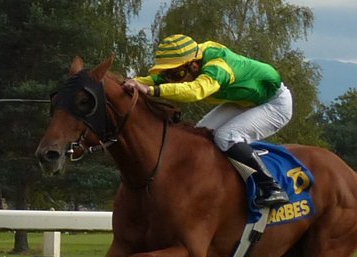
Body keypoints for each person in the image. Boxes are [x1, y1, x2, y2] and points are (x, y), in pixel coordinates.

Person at [123, 34, 292, 208]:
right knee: (199, 136)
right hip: (246, 101)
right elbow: (154, 80)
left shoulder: (218, 67)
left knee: (226, 136)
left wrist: (151, 91)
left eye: (175, 74)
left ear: (194, 65)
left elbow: (196, 91)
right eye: (168, 73)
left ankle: (271, 187)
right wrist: (128, 82)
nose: (171, 79)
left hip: (275, 103)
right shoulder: (191, 60)